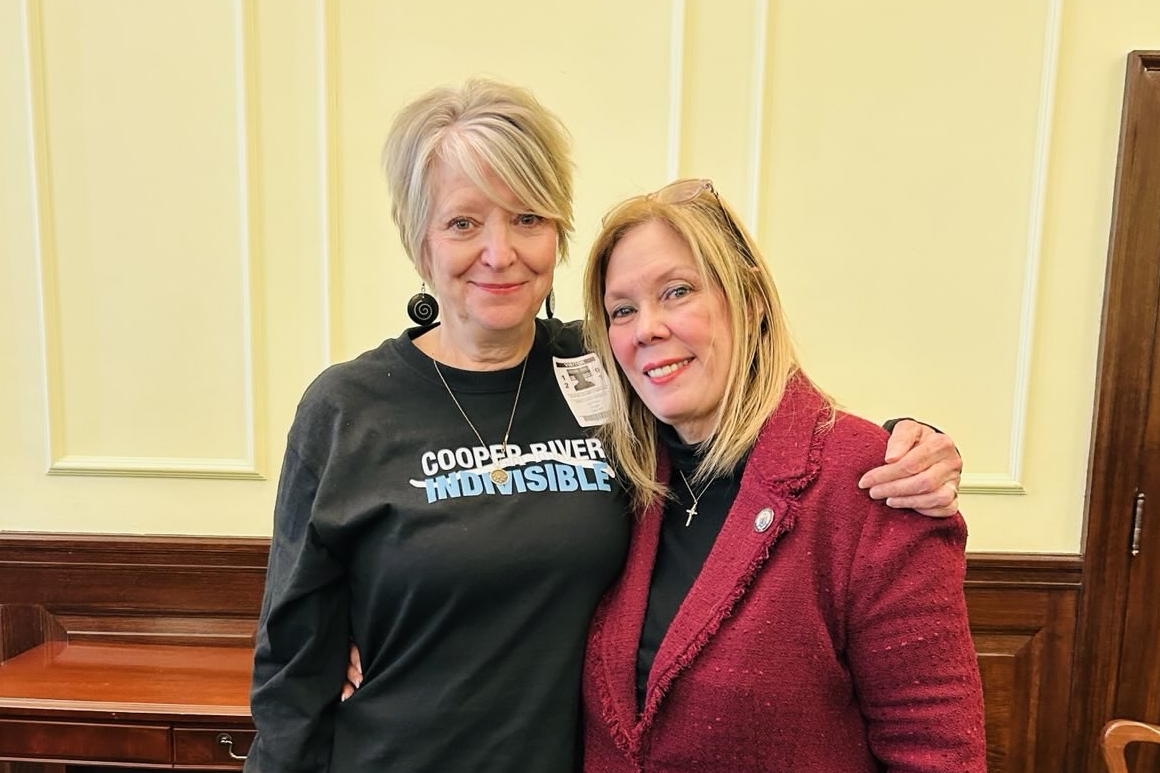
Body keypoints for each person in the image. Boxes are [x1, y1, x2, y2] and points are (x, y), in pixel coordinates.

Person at [246, 80, 964, 772]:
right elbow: (292, 670)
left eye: (527, 217)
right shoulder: (346, 409)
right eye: (464, 222)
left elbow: (748, 405)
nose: (500, 252)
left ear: (557, 233)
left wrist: (907, 440)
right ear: (418, 238)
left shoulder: (607, 367)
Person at [578, 179, 986, 772]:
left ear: (751, 301)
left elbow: (938, 754)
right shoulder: (619, 479)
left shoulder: (871, 483)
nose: (646, 328)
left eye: (678, 292)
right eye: (623, 309)